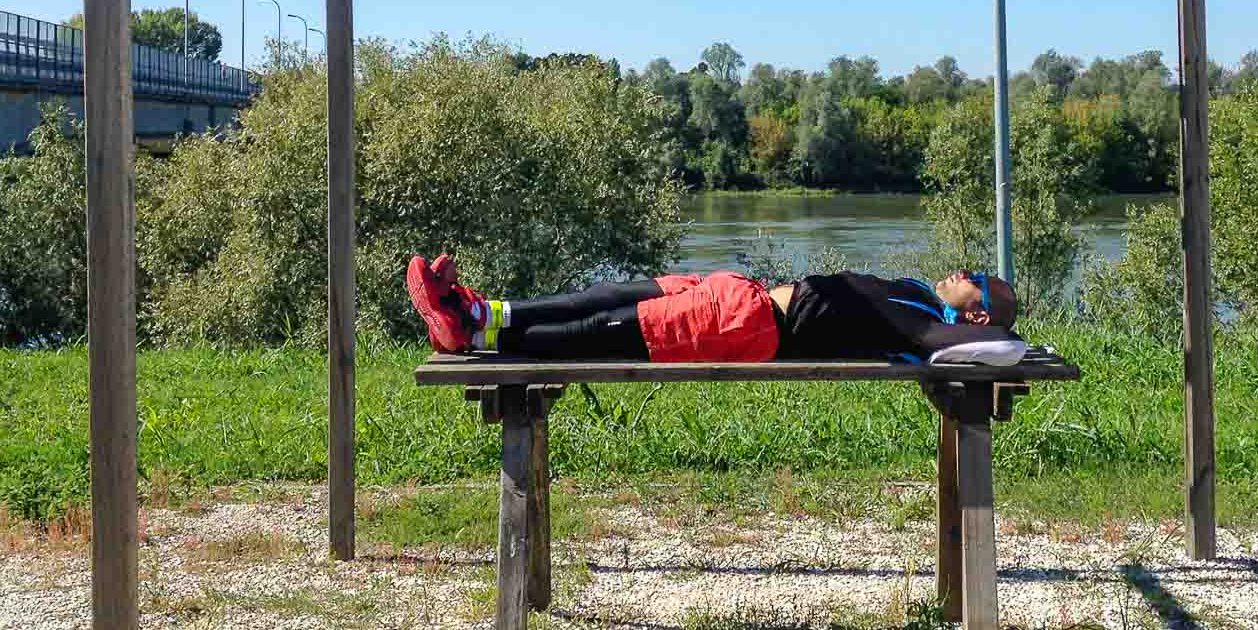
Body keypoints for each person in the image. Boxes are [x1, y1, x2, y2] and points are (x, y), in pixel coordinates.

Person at [406, 254, 1020, 364]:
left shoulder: (922, 323)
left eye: (981, 282)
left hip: (746, 325)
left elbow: (959, 348)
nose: (969, 272)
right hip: (743, 294)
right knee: (613, 294)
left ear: (977, 315)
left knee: (603, 332)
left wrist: (1020, 345)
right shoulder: (916, 292)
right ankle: (478, 311)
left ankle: (472, 341)